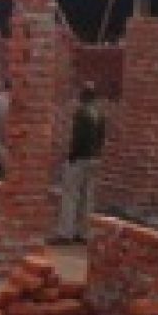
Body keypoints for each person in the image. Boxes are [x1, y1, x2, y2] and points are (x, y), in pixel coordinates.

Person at [50, 81, 105, 245]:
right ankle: (84, 232)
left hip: (79, 159)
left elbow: (78, 138)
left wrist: (71, 157)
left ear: (83, 95)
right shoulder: (100, 113)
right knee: (87, 197)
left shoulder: (82, 112)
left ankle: (65, 232)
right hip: (94, 158)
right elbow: (102, 138)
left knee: (70, 195)